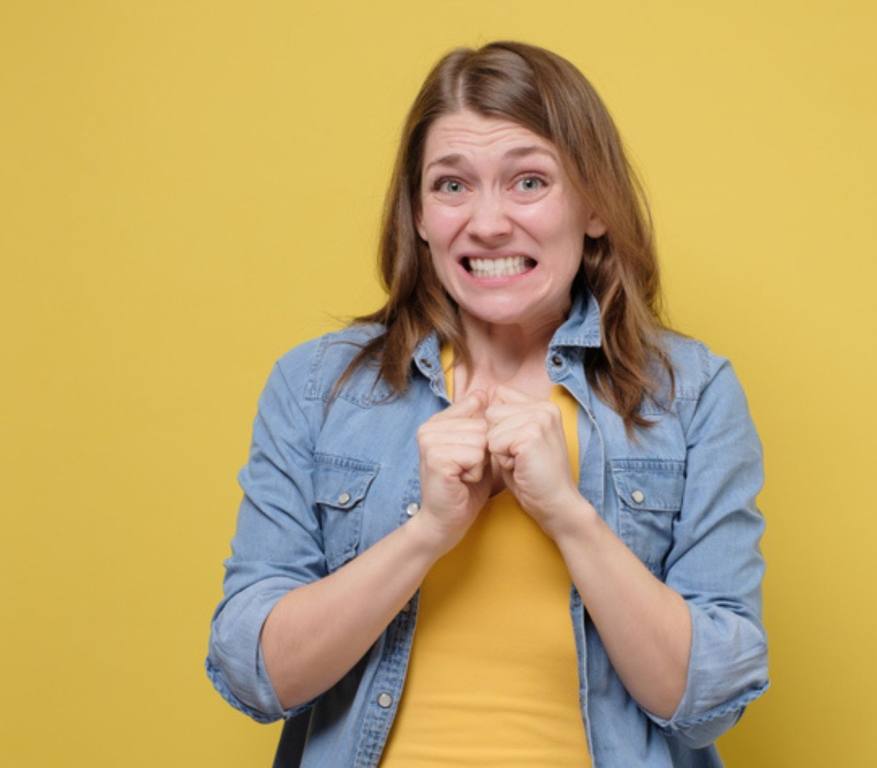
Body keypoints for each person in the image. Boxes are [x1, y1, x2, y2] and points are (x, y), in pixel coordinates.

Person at [205, 40, 770, 768]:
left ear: (595, 205)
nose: (489, 222)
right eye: (451, 185)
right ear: (417, 214)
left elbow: (706, 700)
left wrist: (568, 514)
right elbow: (257, 677)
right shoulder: (317, 387)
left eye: (529, 181)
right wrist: (428, 531)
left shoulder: (689, 395)